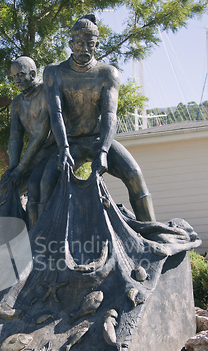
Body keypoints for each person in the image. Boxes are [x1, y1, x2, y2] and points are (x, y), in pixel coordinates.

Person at [42, 14, 156, 222]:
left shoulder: (108, 73)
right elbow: (55, 113)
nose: (84, 49)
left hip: (98, 140)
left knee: (135, 175)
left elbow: (109, 115)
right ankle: (41, 241)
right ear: (71, 44)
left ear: (96, 45)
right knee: (45, 183)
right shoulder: (54, 72)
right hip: (71, 143)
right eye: (79, 43)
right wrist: (63, 149)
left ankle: (151, 233)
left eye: (90, 44)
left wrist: (103, 151)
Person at [0, 56, 57, 227]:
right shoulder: (17, 102)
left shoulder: (47, 92)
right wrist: (12, 166)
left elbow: (41, 133)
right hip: (36, 154)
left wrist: (22, 168)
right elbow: (15, 136)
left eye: (20, 75)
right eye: (14, 77)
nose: (16, 80)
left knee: (35, 184)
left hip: (55, 149)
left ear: (33, 74)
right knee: (7, 186)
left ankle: (41, 233)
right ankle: (19, 232)